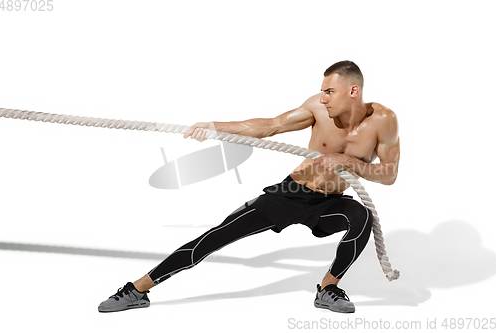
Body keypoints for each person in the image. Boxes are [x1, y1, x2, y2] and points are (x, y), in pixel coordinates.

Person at [98, 60, 400, 314]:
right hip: (292, 193)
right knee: (216, 237)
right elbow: (270, 125)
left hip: (330, 202)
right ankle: (137, 290)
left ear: (353, 91)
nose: (322, 98)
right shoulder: (317, 109)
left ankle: (328, 288)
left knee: (361, 218)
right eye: (322, 91)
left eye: (329, 92)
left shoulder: (384, 121)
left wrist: (347, 161)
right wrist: (215, 127)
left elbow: (389, 174)